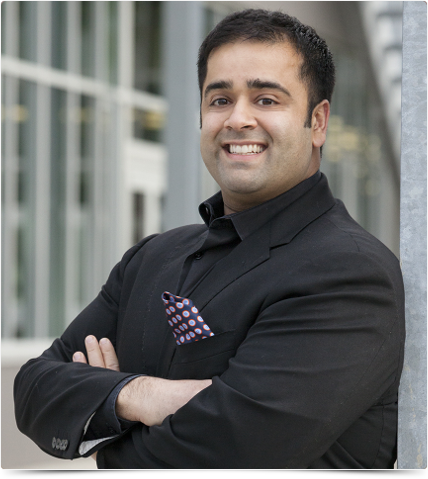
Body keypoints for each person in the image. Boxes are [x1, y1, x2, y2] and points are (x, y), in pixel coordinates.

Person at [14, 9, 405, 469]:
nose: (237, 119)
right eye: (220, 99)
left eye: (266, 99)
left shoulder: (349, 272)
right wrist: (138, 395)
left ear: (317, 122)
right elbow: (34, 388)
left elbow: (234, 449)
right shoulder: (151, 258)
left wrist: (106, 424)